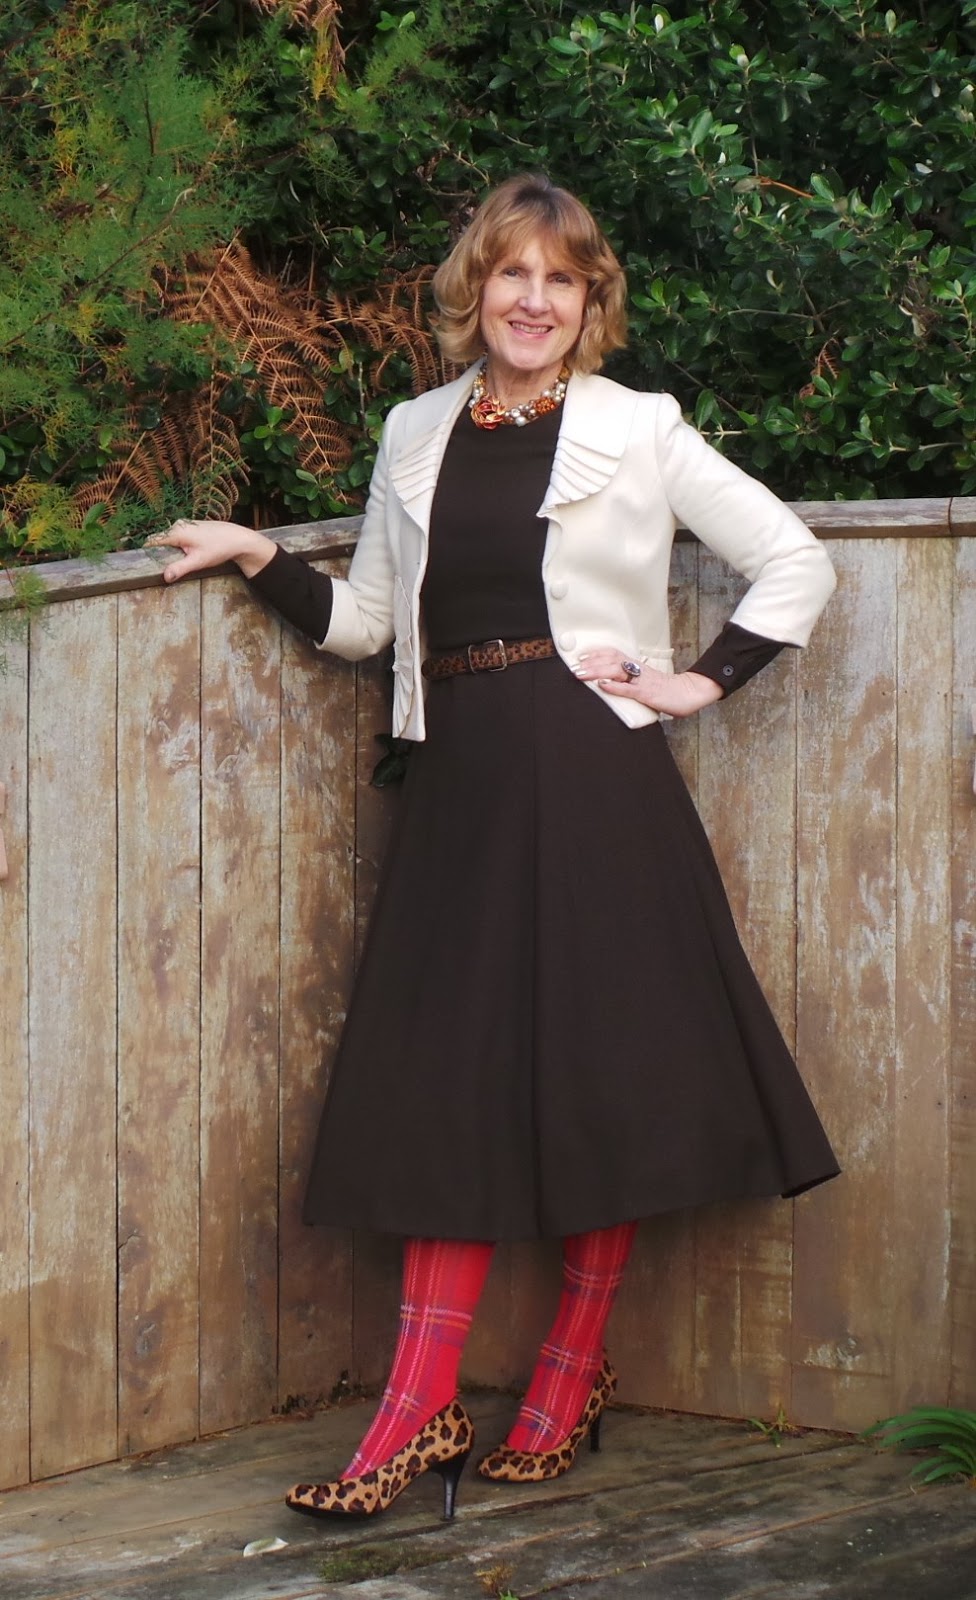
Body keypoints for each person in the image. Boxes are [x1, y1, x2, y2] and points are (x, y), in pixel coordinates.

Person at [148, 173, 839, 1523]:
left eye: (560, 279)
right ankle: (419, 1407)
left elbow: (793, 559)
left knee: (601, 1073)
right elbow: (369, 626)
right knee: (444, 1084)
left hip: (591, 772)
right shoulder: (414, 429)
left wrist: (698, 682)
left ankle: (568, 1375)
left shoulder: (639, 428)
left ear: (589, 301)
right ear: (478, 288)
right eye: (512, 273)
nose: (534, 299)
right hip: (458, 779)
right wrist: (255, 556)